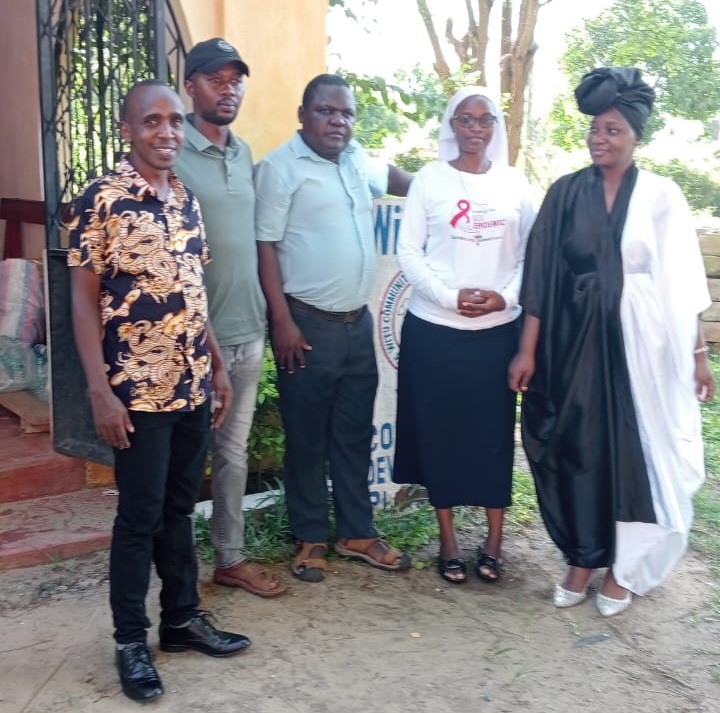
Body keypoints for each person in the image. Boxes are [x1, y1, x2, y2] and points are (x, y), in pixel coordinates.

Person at [68, 79, 251, 703]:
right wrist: (99, 391)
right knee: (139, 518)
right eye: (152, 121)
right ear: (128, 130)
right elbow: (83, 301)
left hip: (191, 386)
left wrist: (217, 364)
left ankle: (181, 620)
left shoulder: (187, 201)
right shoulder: (101, 200)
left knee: (179, 510)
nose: (167, 132)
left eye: (174, 121)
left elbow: (191, 293)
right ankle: (130, 640)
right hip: (136, 393)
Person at [509, 67, 715, 617]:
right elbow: (540, 276)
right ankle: (583, 557)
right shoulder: (564, 193)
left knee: (635, 452)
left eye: (613, 130)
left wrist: (697, 356)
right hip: (571, 345)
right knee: (577, 447)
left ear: (635, 137)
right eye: (595, 129)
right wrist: (527, 349)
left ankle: (625, 567)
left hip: (644, 348)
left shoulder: (662, 196)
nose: (599, 139)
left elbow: (683, 282)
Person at [255, 73, 413, 582]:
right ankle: (310, 537)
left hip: (356, 324)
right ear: (303, 115)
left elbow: (397, 179)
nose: (337, 121)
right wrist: (280, 320)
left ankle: (356, 532)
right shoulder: (280, 168)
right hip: (305, 326)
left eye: (346, 113)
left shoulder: (356, 159)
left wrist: (448, 185)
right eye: (326, 111)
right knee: (306, 438)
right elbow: (264, 246)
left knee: (353, 433)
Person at [392, 87, 535, 584]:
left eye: (485, 119)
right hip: (435, 331)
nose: (475, 129)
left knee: (493, 437)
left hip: (497, 334)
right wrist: (450, 296)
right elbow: (408, 251)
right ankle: (449, 539)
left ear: (496, 126)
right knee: (439, 435)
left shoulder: (515, 184)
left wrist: (506, 298)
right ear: (451, 125)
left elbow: (529, 256)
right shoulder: (430, 180)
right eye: (465, 119)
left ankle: (494, 541)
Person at [174, 38, 287, 598]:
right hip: (193, 339)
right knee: (183, 458)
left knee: (233, 455)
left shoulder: (244, 154)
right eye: (215, 80)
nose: (228, 89)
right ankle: (175, 574)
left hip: (247, 330)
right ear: (190, 86)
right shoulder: (172, 152)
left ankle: (230, 558)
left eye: (235, 80)